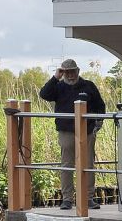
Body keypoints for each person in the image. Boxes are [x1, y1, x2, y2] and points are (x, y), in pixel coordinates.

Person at [39, 59, 106, 210]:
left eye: (72, 72)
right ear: (62, 73)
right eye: (66, 72)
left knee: (88, 164)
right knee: (67, 165)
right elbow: (44, 94)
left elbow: (100, 106)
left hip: (87, 131)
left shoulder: (88, 86)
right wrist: (56, 77)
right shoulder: (58, 86)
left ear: (78, 71)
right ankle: (67, 199)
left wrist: (98, 123)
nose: (70, 75)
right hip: (66, 131)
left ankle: (88, 198)